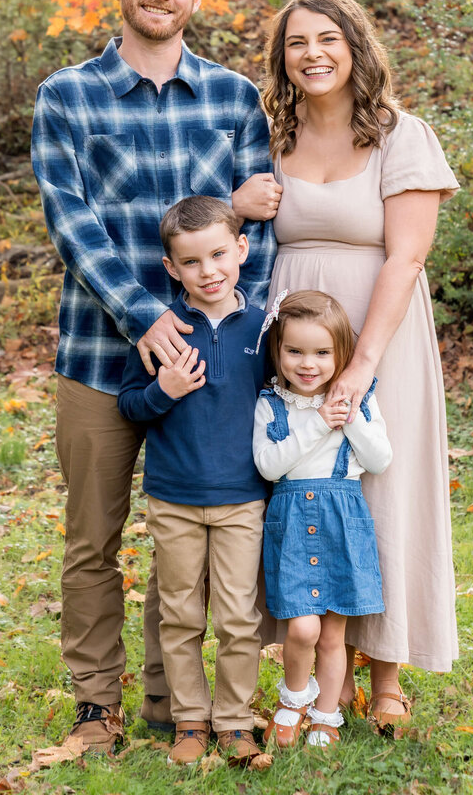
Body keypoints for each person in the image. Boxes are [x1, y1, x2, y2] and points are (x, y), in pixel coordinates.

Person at [31, 0, 278, 755]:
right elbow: (73, 226)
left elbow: (259, 235)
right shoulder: (67, 96)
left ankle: (175, 704)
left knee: (188, 528)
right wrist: (145, 315)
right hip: (100, 357)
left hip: (208, 366)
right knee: (93, 539)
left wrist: (240, 334)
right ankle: (97, 709)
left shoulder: (235, 98)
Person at [251, 0, 459, 732]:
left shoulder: (401, 135)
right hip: (291, 338)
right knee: (298, 483)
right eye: (297, 42)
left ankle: (389, 672)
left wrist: (363, 363)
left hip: (382, 332)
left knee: (381, 487)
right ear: (282, 57)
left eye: (327, 40)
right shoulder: (270, 135)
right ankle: (302, 664)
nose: (312, 54)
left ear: (356, 48)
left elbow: (406, 258)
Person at [118, 196, 269, 766]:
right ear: (171, 268)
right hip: (174, 498)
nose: (208, 272)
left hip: (241, 498)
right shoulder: (161, 331)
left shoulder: (262, 327)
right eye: (192, 262)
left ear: (241, 250)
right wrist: (166, 391)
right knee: (179, 614)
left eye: (218, 255)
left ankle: (233, 721)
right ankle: (189, 721)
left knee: (237, 616)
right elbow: (131, 405)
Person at [253, 290, 392, 751]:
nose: (307, 363)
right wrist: (317, 423)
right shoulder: (272, 405)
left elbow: (379, 459)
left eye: (321, 352)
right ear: (278, 351)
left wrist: (348, 414)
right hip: (292, 524)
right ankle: (293, 699)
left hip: (341, 522)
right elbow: (270, 466)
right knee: (302, 627)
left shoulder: (360, 399)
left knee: (333, 633)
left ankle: (326, 714)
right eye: (295, 351)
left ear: (341, 355)